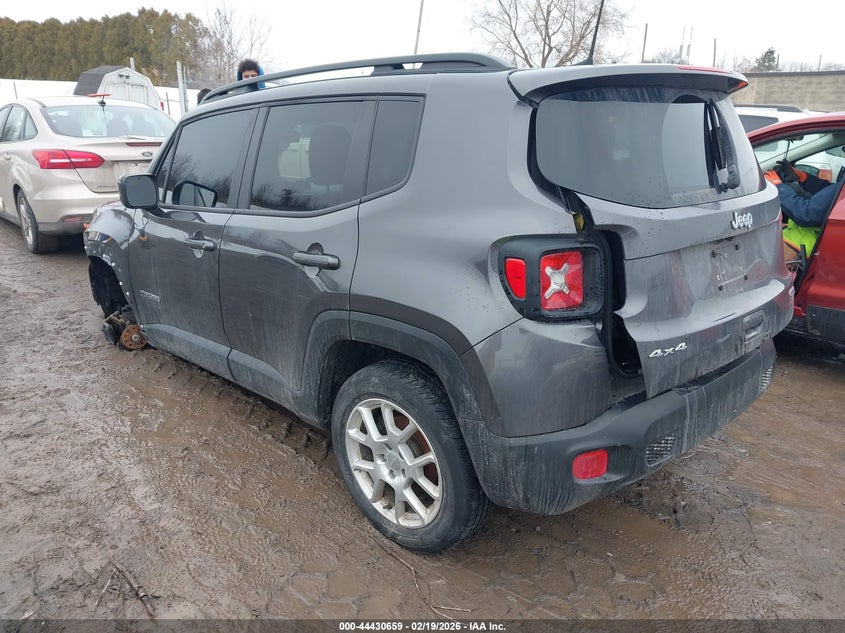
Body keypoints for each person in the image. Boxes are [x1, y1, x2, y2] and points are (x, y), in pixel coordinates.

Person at [764, 160, 839, 265]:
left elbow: (806, 214)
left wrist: (778, 187)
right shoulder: (841, 187)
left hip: (799, 250)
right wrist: (802, 177)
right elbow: (831, 190)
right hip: (800, 241)